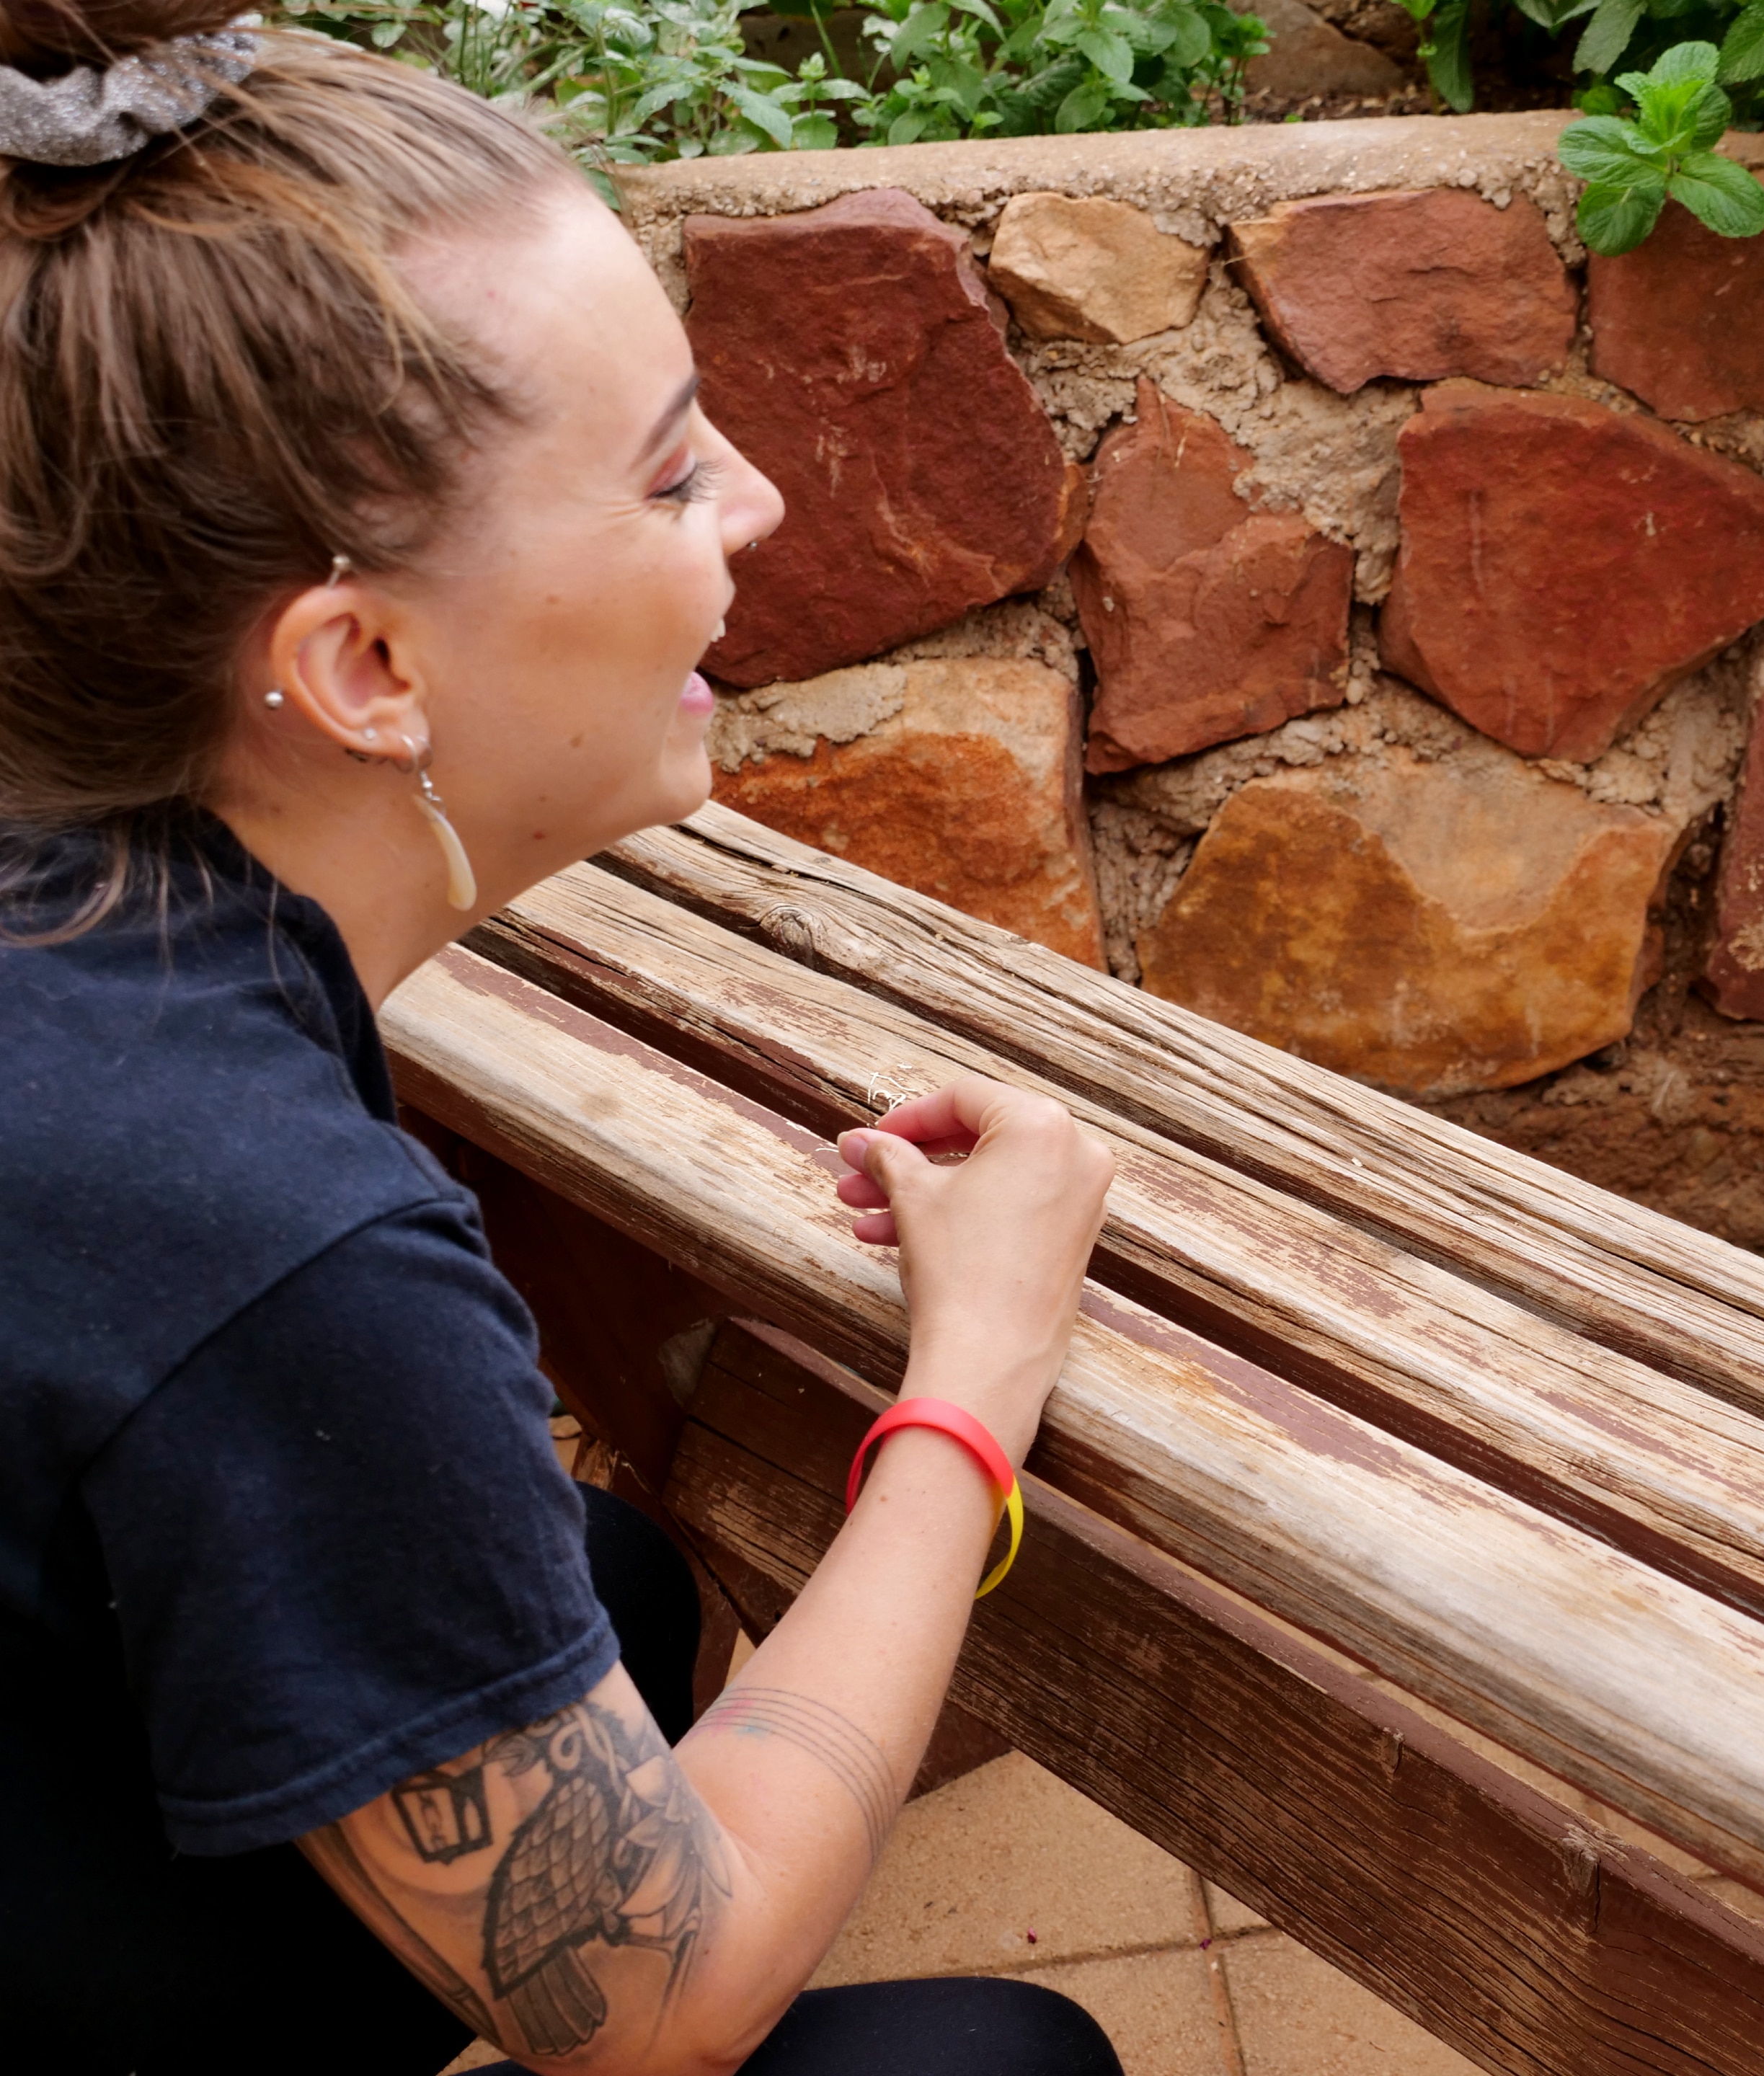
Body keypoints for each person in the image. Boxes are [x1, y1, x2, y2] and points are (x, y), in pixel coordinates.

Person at [0, 4, 1122, 2071]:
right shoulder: (262, 1239)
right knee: (988, 2067)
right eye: (676, 467)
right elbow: (657, 2002)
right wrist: (977, 1381)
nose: (766, 505)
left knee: (592, 1579)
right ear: (363, 665)